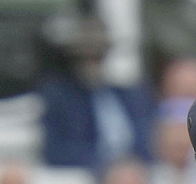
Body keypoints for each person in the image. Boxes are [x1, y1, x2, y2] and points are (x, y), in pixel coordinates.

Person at [35, 15, 154, 171]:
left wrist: (132, 164)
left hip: (136, 174)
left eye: (97, 55)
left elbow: (150, 140)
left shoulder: (128, 95)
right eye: (86, 56)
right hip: (89, 177)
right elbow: (55, 152)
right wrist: (107, 164)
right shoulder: (60, 98)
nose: (92, 62)